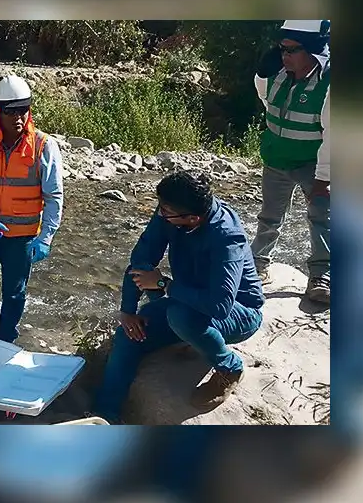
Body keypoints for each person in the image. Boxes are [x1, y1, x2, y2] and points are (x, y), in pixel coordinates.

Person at [92, 171, 265, 423]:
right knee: (128, 335)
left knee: (181, 317)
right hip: (185, 300)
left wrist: (164, 284)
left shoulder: (227, 238)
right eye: (161, 207)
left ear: (193, 218)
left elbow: (220, 306)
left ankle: (230, 367)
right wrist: (128, 311)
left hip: (239, 312)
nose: (160, 214)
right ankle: (104, 415)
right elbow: (141, 260)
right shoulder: (172, 211)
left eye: (166, 211)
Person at [0, 74, 64, 343]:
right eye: (10, 112)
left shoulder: (43, 146)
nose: (18, 117)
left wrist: (46, 237)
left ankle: (5, 342)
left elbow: (53, 196)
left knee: (15, 294)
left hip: (22, 239)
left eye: (23, 110)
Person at [250, 19, 331, 304]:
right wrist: (264, 72)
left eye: (292, 50)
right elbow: (266, 99)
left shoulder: (329, 84)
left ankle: (322, 274)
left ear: (312, 51)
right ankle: (258, 264)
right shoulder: (275, 73)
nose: (284, 55)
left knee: (322, 216)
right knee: (269, 216)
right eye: (282, 49)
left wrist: (323, 179)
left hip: (311, 163)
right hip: (277, 158)